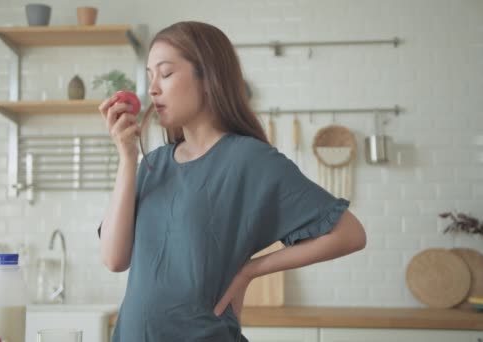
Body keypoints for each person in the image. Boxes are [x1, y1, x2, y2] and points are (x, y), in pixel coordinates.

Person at [97, 21, 366, 342]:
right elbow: (114, 259)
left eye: (166, 74)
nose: (153, 88)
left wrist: (250, 270)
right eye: (149, 77)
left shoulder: (250, 160)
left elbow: (349, 234)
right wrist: (128, 158)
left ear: (208, 78)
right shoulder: (152, 164)